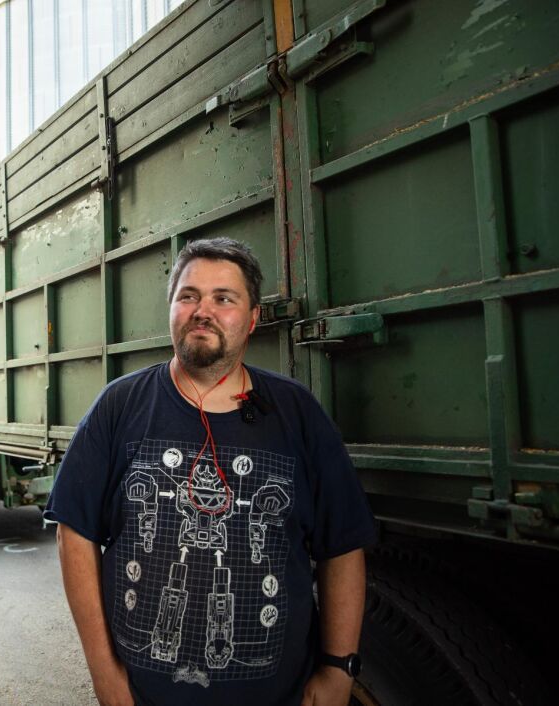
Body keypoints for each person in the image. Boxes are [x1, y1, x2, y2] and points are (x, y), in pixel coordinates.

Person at [44, 238, 376, 706]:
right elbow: (73, 532)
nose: (203, 310)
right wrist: (104, 672)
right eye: (188, 296)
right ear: (171, 310)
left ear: (253, 319)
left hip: (277, 694)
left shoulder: (296, 412)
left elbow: (342, 544)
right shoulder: (119, 406)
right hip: (145, 695)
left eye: (224, 298)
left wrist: (339, 668)